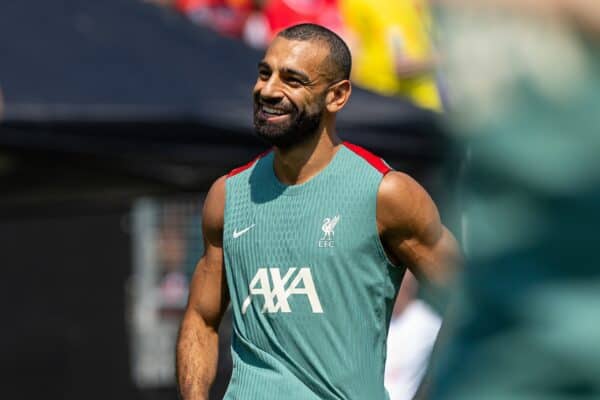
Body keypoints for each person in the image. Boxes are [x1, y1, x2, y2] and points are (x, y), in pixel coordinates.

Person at [176, 23, 460, 400]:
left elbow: (471, 302)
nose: (268, 89)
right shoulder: (227, 196)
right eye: (265, 73)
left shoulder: (386, 193)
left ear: (337, 96)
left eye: (292, 80)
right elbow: (201, 318)